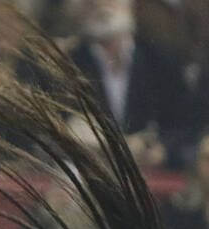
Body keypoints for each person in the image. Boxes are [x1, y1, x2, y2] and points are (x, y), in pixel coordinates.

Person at [67, 0, 195, 169]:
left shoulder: (162, 61)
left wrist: (161, 149)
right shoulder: (65, 63)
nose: (101, 4)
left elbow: (184, 125)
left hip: (153, 180)